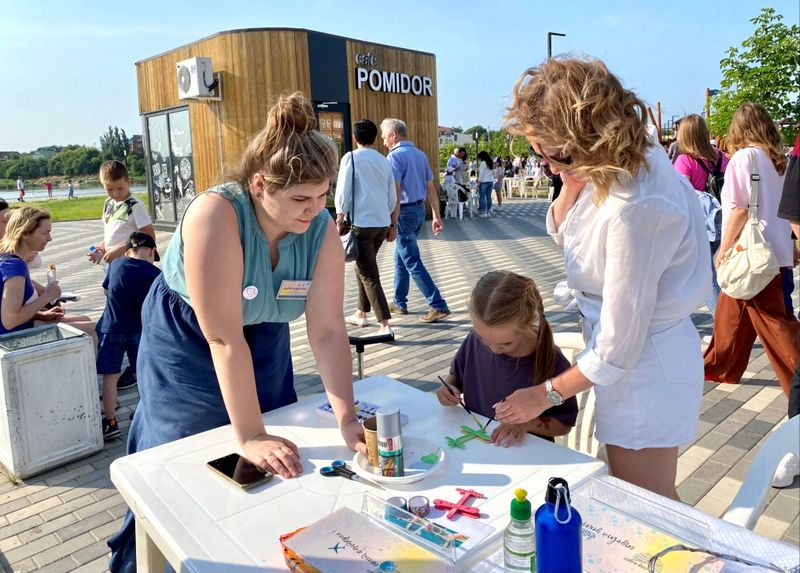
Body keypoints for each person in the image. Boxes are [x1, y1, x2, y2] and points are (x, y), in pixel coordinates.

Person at [107, 92, 366, 572]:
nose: (314, 211)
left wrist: (347, 418)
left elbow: (329, 330)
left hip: (264, 335)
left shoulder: (321, 226)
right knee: (185, 459)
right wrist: (249, 435)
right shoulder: (216, 213)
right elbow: (224, 339)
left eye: (323, 195)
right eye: (300, 199)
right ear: (259, 184)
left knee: (277, 459)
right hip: (188, 338)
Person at [498, 57, 710, 500]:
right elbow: (566, 230)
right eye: (540, 155)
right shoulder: (614, 161)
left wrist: (545, 394)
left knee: (648, 502)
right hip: (631, 357)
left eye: (555, 155)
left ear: (587, 139)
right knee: (644, 498)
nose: (549, 166)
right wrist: (570, 181)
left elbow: (617, 349)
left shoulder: (637, 204)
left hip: (646, 368)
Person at [703, 103, 799, 398]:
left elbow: (740, 209)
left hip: (752, 253)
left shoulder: (744, 157)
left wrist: (723, 248)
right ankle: (716, 367)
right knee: (730, 316)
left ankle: (796, 383)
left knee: (776, 325)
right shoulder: (778, 159)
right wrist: (792, 245)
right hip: (776, 250)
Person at [436, 271, 578, 447]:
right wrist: (447, 390)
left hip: (525, 452)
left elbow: (564, 424)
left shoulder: (552, 361)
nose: (494, 349)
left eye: (506, 343)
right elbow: (455, 378)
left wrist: (526, 424)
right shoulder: (474, 340)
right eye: (483, 339)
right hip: (476, 446)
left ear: (528, 323)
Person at [379, 118, 450, 323]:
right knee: (401, 258)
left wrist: (392, 223)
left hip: (404, 213)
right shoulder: (420, 155)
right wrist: (436, 215)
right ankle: (399, 302)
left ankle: (438, 304)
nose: (383, 141)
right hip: (419, 210)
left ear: (393, 135)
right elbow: (431, 189)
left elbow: (395, 192)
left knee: (411, 260)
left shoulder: (394, 157)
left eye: (384, 136)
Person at [96, 232, 161, 441]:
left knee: (110, 378)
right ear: (151, 251)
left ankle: (111, 423)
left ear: (126, 251)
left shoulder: (116, 264)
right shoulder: (154, 273)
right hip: (139, 331)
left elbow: (105, 290)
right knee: (143, 374)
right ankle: (143, 416)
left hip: (111, 328)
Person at [335, 119, 396, 337]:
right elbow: (392, 195)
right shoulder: (384, 160)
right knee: (363, 266)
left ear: (354, 137)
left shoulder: (350, 157)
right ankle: (361, 313)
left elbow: (343, 189)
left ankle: (384, 324)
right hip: (381, 222)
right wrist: (390, 222)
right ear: (375, 138)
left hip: (362, 223)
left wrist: (340, 216)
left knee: (368, 273)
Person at [673, 114, 729, 316]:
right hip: (725, 219)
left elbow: (679, 195)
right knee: (724, 272)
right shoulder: (723, 158)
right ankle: (729, 318)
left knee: (707, 276)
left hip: (701, 224)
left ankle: (720, 323)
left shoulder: (685, 161)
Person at [0, 208, 62, 335]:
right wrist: (47, 296)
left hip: (15, 331)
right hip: (11, 338)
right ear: (24, 233)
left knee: (86, 322)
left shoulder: (7, 259)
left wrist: (41, 314)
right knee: (90, 329)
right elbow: (10, 321)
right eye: (45, 233)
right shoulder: (15, 266)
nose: (50, 238)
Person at [88, 161, 156, 266]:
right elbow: (113, 234)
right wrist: (102, 247)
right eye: (109, 189)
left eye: (120, 188)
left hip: (130, 264)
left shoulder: (135, 205)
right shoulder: (108, 203)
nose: (116, 193)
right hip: (111, 264)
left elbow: (149, 236)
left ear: (129, 182)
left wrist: (123, 248)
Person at [476, 150, 495, 217]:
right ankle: (489, 211)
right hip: (490, 181)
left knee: (482, 197)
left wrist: (478, 181)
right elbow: (493, 172)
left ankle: (484, 212)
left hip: (484, 182)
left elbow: (481, 174)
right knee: (488, 197)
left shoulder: (483, 163)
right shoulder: (490, 162)